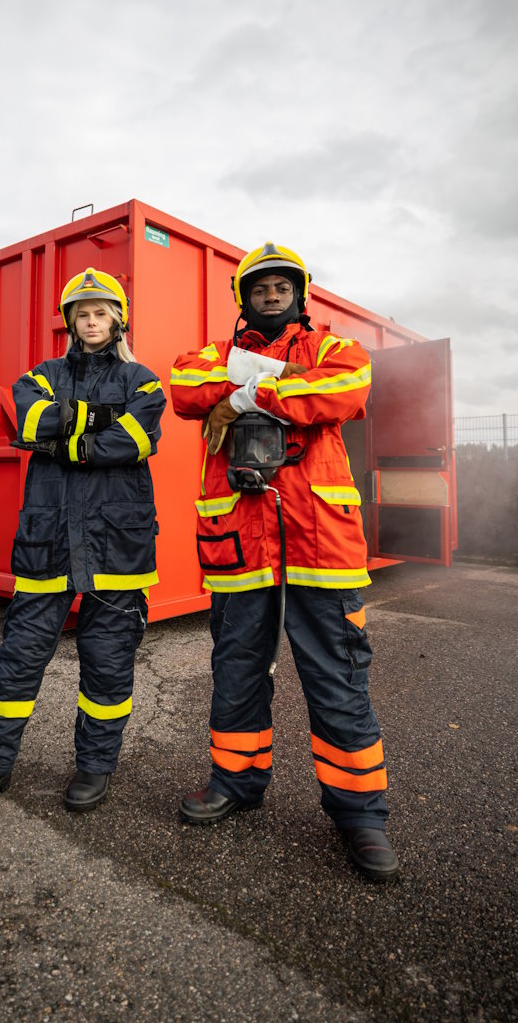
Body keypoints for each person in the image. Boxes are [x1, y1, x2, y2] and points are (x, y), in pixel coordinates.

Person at [170, 242, 399, 881]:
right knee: (238, 667)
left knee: (337, 676)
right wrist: (269, 389)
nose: (270, 294)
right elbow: (185, 385)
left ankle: (360, 815)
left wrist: (242, 399)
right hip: (241, 545)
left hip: (319, 542)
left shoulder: (330, 347)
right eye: (259, 286)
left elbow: (347, 389)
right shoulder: (212, 353)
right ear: (243, 297)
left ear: (300, 292)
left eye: (281, 285)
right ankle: (235, 782)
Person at [0, 267, 166, 815]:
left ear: (118, 319)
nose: (92, 321)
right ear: (70, 322)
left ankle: (95, 769)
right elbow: (28, 417)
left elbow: (135, 439)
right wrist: (96, 422)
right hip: (48, 542)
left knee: (108, 664)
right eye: (82, 314)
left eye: (101, 312)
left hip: (118, 548)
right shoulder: (41, 375)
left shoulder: (143, 381)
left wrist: (66, 440)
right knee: (18, 661)